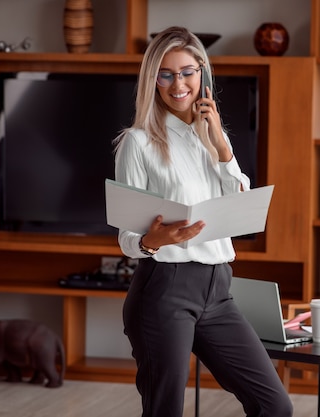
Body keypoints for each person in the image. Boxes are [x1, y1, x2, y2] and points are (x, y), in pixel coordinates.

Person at [113, 26, 293, 417]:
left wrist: (222, 146)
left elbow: (242, 205)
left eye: (187, 72)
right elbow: (127, 238)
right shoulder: (137, 142)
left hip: (218, 290)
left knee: (275, 406)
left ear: (202, 74)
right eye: (166, 73)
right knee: (166, 411)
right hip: (164, 290)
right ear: (153, 80)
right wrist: (153, 240)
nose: (178, 84)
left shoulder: (212, 135)